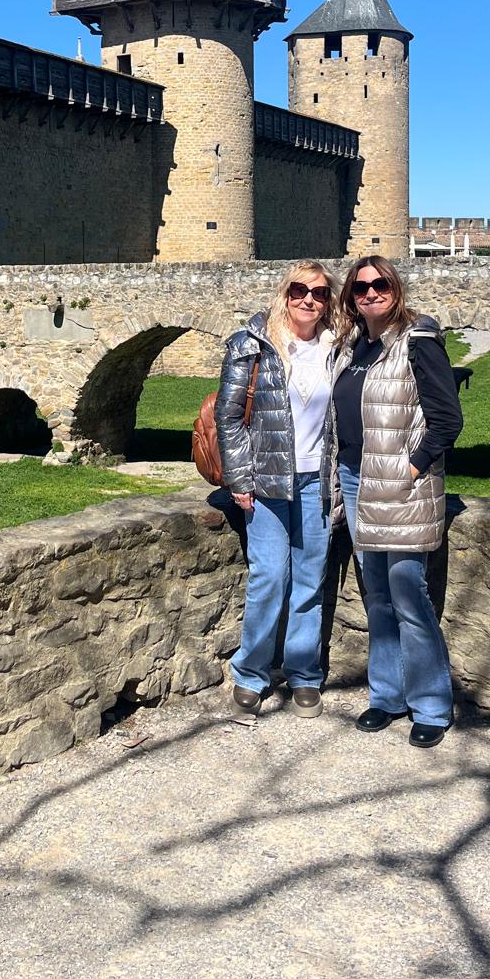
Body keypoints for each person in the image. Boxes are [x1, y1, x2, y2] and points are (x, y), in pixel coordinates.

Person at [331, 255, 464, 749]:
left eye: (380, 284)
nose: (371, 292)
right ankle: (386, 696)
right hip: (355, 479)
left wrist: (412, 467)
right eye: (361, 287)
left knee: (408, 593)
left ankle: (431, 705)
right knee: (377, 595)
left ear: (396, 288)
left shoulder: (418, 339)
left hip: (403, 485)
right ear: (351, 296)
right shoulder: (351, 345)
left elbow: (447, 420)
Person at [215, 260, 339, 721]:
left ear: (328, 302)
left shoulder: (337, 347)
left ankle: (304, 673)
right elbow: (228, 416)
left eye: (319, 293)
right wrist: (239, 478)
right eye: (299, 290)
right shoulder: (252, 344)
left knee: (310, 580)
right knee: (269, 578)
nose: (309, 299)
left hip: (317, 481)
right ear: (285, 293)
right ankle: (251, 672)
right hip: (266, 482)